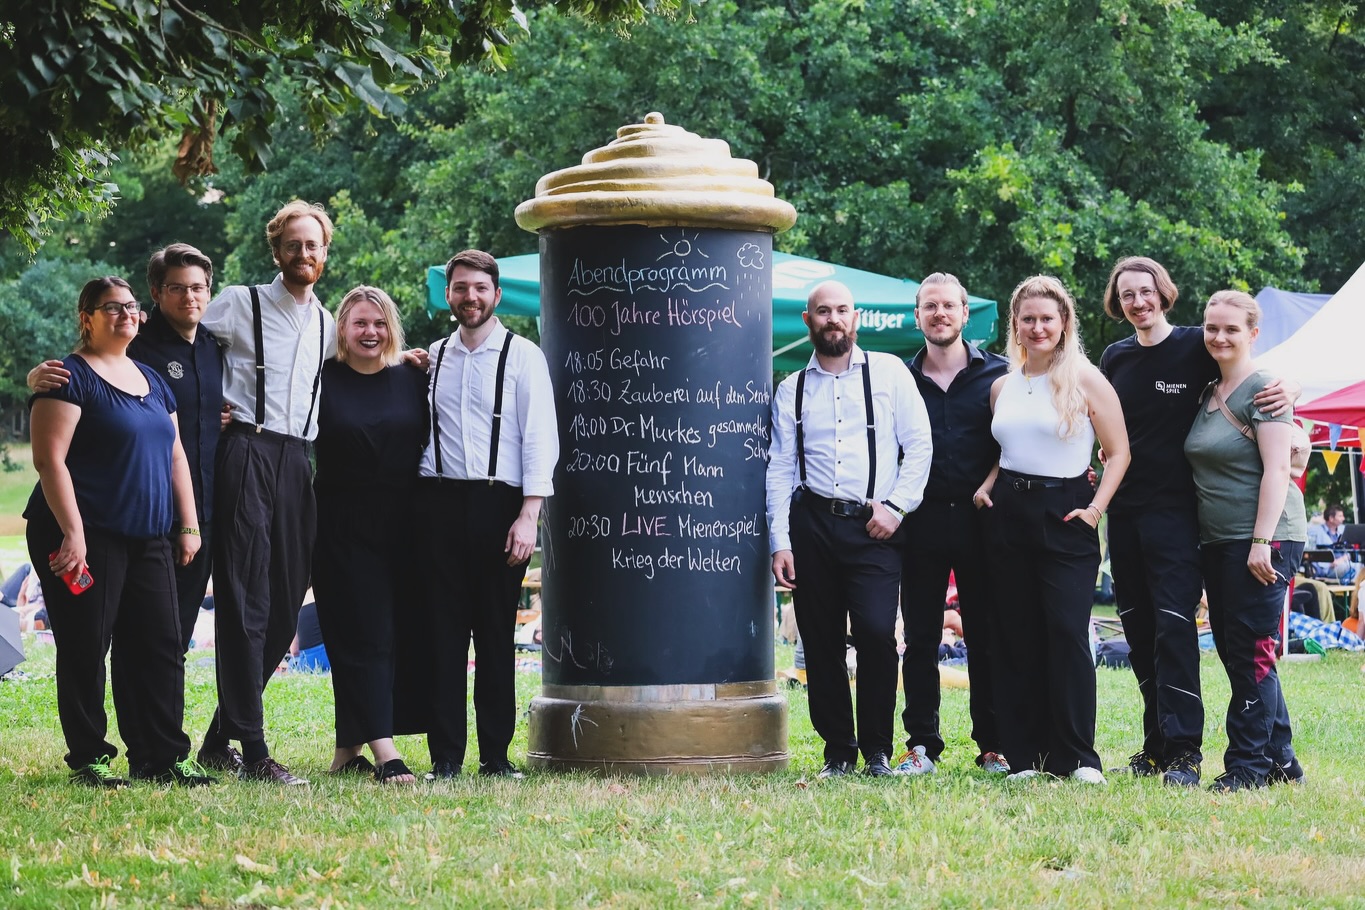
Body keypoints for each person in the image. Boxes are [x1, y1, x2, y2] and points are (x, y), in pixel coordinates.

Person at [1099, 256, 1296, 786]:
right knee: (1139, 631)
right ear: (1117, 304)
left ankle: (1185, 754)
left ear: (1164, 292)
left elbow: (1250, 370)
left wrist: (1290, 388)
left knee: (1174, 630)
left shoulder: (1195, 345)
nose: (1137, 302)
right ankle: (1157, 746)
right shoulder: (1114, 358)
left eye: (1146, 292)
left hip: (1179, 517)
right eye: (1127, 295)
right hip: (1124, 515)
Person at [24, 276, 212, 787]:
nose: (126, 314)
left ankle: (162, 756)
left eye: (131, 307)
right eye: (112, 308)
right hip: (82, 535)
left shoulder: (153, 380)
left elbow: (176, 454)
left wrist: (188, 524)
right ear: (86, 317)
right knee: (87, 646)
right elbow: (49, 459)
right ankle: (90, 756)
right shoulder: (67, 377)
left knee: (158, 645)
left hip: (148, 534)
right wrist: (74, 533)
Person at [195, 200, 338, 785]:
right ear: (276, 249)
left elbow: (358, 369)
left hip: (295, 461)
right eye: (293, 245)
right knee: (244, 598)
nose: (303, 254)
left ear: (324, 253)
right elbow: (173, 348)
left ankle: (215, 741)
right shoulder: (239, 302)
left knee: (283, 603)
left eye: (314, 245)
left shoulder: (329, 323)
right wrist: (207, 407)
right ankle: (254, 752)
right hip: (246, 452)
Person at [767, 280, 933, 779]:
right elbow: (778, 469)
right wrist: (781, 541)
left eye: (841, 310)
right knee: (819, 642)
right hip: (812, 523)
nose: (833, 319)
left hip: (873, 524)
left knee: (878, 634)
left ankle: (878, 750)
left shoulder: (888, 373)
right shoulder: (791, 388)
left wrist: (897, 507)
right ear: (808, 320)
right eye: (823, 311)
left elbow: (919, 445)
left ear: (854, 317)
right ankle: (838, 750)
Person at [28, 244, 224, 654]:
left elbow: (177, 451)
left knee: (168, 639)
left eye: (198, 287)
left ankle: (157, 721)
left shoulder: (215, 345)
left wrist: (191, 523)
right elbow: (83, 364)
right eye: (177, 287)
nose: (189, 296)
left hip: (186, 512)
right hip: (106, 513)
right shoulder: (136, 343)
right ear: (157, 292)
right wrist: (36, 377)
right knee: (94, 639)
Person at [975, 275, 1130, 784]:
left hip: (1066, 514)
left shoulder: (1085, 378)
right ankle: (1026, 758)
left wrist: (1096, 509)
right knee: (1016, 637)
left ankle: (1078, 759)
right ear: (1015, 326)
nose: (1037, 327)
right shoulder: (1003, 383)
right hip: (1007, 516)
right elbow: (1009, 449)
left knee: (1066, 635)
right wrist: (988, 485)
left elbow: (1120, 453)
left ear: (1064, 323)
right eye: (1028, 319)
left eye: (1047, 318)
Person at [411, 250, 558, 780]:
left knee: (495, 635)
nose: (469, 297)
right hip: (440, 504)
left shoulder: (523, 356)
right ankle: (445, 759)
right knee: (442, 637)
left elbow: (541, 437)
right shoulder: (433, 357)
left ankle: (495, 758)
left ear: (496, 295)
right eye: (459, 289)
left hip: (502, 504)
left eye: (479, 288)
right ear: (448, 295)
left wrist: (529, 515)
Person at [1183, 290, 1307, 792]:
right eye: (1212, 327)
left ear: (1253, 334)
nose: (1219, 336)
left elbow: (1279, 469)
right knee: (1241, 652)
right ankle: (1283, 763)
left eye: (1232, 329)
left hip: (1264, 539)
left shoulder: (1265, 390)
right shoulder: (1208, 389)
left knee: (1251, 651)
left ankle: (1249, 767)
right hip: (1220, 540)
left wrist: (1260, 540)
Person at [312, 286, 427, 784]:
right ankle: (386, 752)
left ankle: (346, 752)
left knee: (387, 634)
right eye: (360, 323)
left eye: (379, 323)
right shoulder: (322, 378)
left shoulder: (412, 376)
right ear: (342, 328)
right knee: (362, 634)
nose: (370, 332)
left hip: (405, 525)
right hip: (338, 524)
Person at [897, 272, 1010, 776]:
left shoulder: (1002, 375)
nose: (939, 314)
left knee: (987, 635)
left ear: (966, 314)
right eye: (929, 306)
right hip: (917, 523)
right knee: (920, 638)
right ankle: (921, 745)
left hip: (982, 522)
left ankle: (994, 744)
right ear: (917, 315)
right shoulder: (896, 378)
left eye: (948, 306)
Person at [1306, 504, 1359, 583]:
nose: (1343, 518)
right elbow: (1311, 551)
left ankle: (1357, 591)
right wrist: (1331, 563)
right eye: (1340, 516)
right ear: (1331, 518)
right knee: (1348, 567)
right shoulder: (1316, 531)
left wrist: (1341, 560)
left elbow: (1349, 551)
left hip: (1342, 563)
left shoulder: (1343, 530)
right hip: (1327, 567)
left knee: (1360, 567)